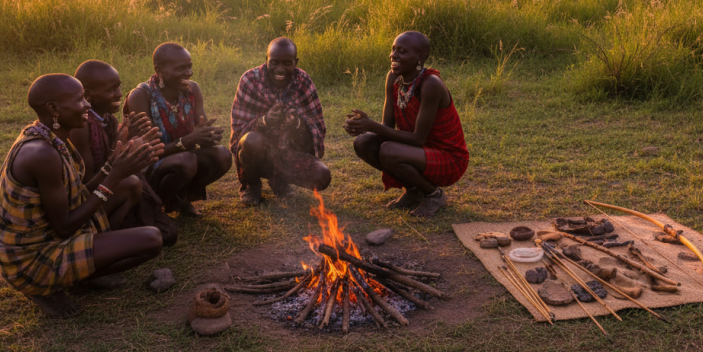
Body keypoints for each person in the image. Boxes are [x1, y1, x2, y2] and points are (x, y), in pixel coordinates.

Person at [0, 74, 164, 318]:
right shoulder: (42, 154)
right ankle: (49, 288)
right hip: (32, 260)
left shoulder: (50, 137)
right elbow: (64, 226)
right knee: (152, 239)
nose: (87, 105)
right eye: (79, 100)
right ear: (54, 109)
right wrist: (114, 176)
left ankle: (84, 272)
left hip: (52, 234)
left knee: (129, 186)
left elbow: (78, 195)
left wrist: (113, 166)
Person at [344, 31, 469, 217]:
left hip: (448, 158)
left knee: (388, 151)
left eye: (402, 51)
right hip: (416, 151)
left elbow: (418, 139)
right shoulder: (394, 78)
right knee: (363, 143)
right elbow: (387, 126)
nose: (393, 55)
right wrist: (361, 126)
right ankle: (414, 190)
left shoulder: (431, 84)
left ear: (420, 58)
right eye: (393, 49)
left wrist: (371, 126)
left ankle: (434, 195)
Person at [70, 60, 178, 245]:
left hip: (106, 189)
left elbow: (110, 156)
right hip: (83, 202)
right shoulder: (82, 126)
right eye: (112, 89)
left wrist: (129, 146)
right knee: (132, 184)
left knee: (166, 234)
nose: (119, 94)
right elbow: (87, 184)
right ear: (87, 95)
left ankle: (115, 230)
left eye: (119, 87)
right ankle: (101, 238)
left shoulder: (108, 119)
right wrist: (120, 156)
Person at [125, 43, 232, 217]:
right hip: (149, 165)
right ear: (159, 70)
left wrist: (207, 135)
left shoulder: (192, 89)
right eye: (180, 68)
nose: (188, 73)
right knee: (185, 160)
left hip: (184, 157)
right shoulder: (140, 96)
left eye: (189, 67)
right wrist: (185, 142)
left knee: (222, 155)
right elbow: (145, 153)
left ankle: (181, 198)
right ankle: (153, 207)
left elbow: (201, 125)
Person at [230, 37, 329, 206]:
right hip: (259, 153)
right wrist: (265, 121)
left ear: (296, 62)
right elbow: (238, 133)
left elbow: (317, 128)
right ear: (266, 60)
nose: (280, 69)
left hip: (289, 153)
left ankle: (281, 182)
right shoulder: (250, 80)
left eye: (287, 63)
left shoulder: (303, 81)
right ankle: (252, 185)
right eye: (274, 62)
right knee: (251, 141)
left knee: (322, 176)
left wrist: (297, 123)